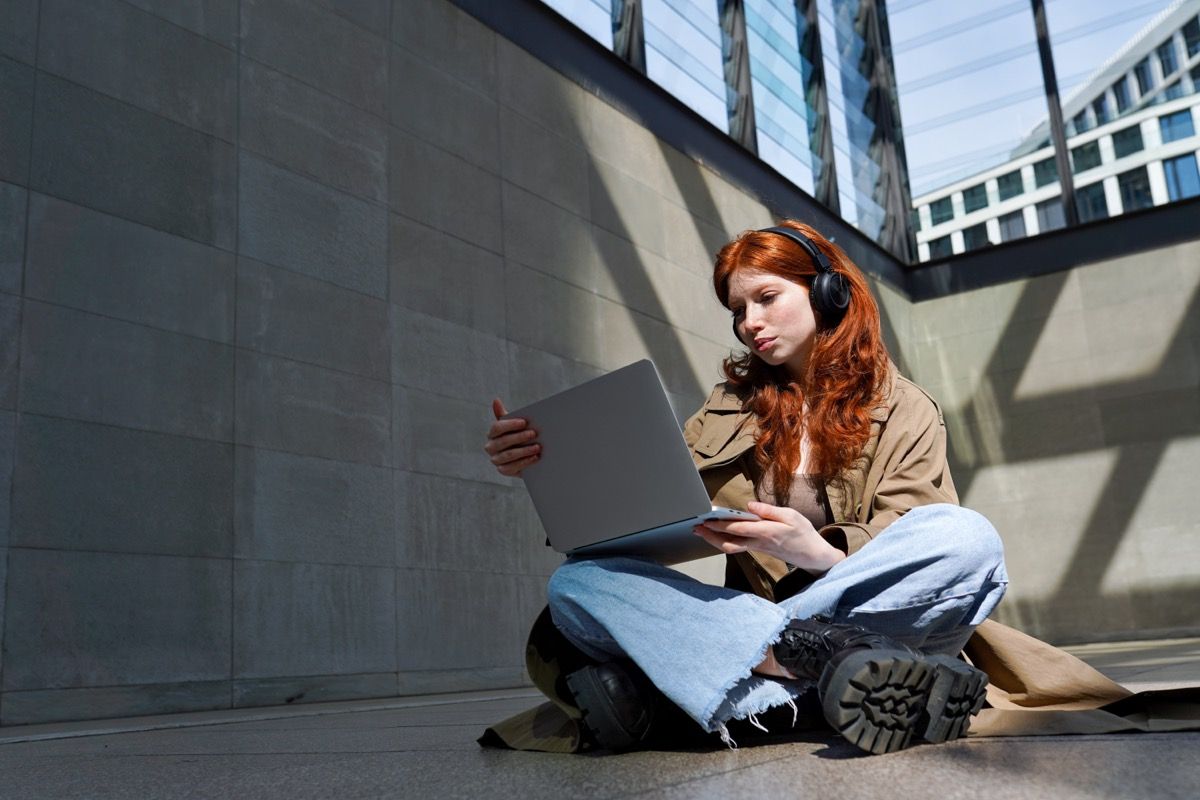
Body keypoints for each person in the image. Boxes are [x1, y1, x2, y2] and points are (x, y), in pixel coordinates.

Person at [483, 221, 1008, 755]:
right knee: (577, 586)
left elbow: (916, 533)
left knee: (967, 536)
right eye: (738, 310)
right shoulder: (726, 409)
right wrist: (544, 466)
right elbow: (643, 513)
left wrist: (821, 554)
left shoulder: (905, 406)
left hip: (866, 608)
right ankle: (818, 673)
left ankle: (760, 680)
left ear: (828, 292)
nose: (750, 323)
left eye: (766, 297)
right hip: (770, 627)